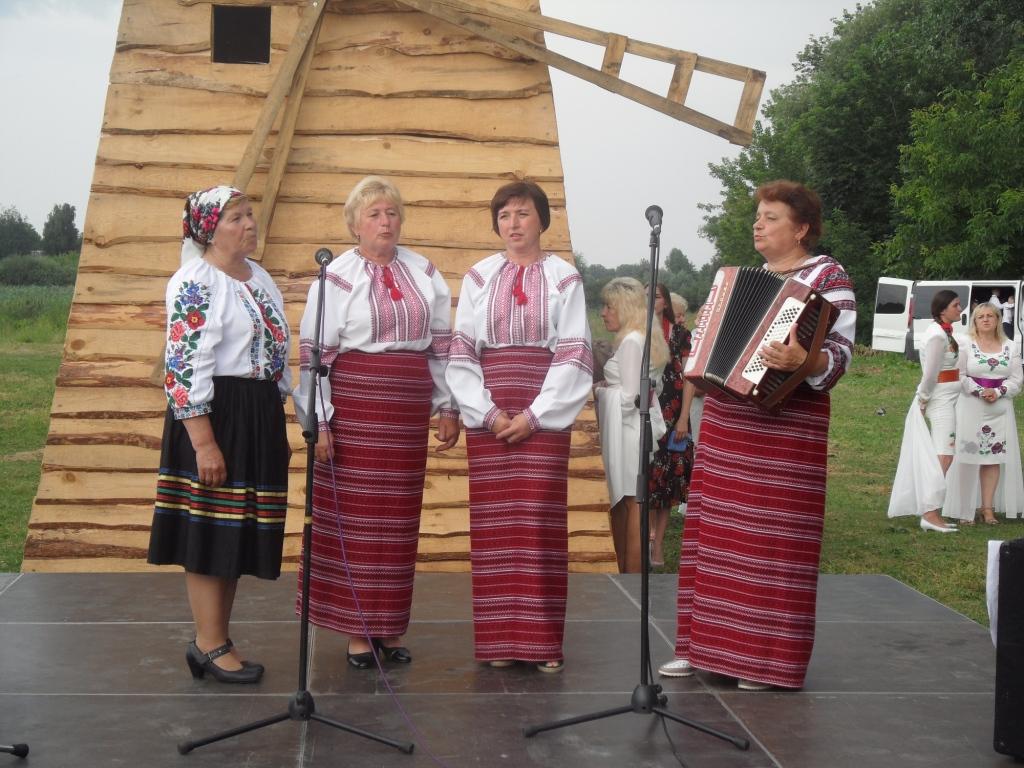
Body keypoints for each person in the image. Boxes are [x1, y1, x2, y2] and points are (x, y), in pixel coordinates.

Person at [658, 180, 855, 691]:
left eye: (771, 217)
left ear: (802, 228)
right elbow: (710, 343)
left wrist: (805, 359)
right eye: (758, 216)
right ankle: (702, 649)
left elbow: (840, 354)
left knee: (771, 540)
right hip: (727, 422)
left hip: (786, 428)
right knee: (715, 536)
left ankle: (763, 663)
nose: (758, 225)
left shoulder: (827, 276)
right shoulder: (738, 280)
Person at [295, 176, 459, 669]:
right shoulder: (336, 277)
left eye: (391, 213)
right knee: (358, 518)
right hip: (356, 408)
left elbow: (442, 345)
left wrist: (448, 406)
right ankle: (357, 632)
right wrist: (321, 421)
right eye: (374, 214)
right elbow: (315, 356)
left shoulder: (424, 271)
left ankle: (388, 626)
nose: (385, 222)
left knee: (398, 520)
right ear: (354, 225)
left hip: (406, 411)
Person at [446, 181, 593, 673]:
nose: (513, 223)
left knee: (538, 523)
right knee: (494, 528)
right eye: (505, 215)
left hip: (543, 412)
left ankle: (542, 642)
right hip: (489, 414)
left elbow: (574, 352)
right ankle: (499, 643)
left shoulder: (565, 278)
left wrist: (536, 415)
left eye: (523, 213)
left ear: (542, 220)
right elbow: (462, 350)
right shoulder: (479, 276)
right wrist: (487, 413)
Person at [148, 185, 292, 683]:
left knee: (235, 531)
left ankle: (217, 639)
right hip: (215, 414)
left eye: (250, 214)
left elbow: (274, 354)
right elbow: (184, 366)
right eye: (236, 218)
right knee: (211, 528)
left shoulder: (259, 277)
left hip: (255, 412)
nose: (250, 223)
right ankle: (208, 643)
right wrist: (204, 443)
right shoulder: (196, 280)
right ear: (209, 230)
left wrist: (280, 417)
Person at [596, 277, 669, 573]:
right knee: (631, 502)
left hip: (627, 433)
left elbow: (629, 398)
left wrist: (599, 392)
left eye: (608, 306)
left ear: (624, 307)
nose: (603, 313)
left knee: (630, 503)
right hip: (633, 431)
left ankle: (630, 576)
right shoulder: (642, 338)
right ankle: (629, 573)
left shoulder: (631, 342)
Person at [888, 290, 964, 533]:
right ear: (942, 309)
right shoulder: (936, 336)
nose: (960, 309)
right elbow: (930, 373)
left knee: (945, 453)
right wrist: (923, 399)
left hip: (947, 398)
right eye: (956, 305)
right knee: (945, 454)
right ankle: (930, 513)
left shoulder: (943, 332)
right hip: (940, 400)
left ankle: (932, 511)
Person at [943, 302, 1024, 524]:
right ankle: (965, 509)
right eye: (981, 317)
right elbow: (959, 374)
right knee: (968, 456)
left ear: (998, 320)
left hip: (999, 409)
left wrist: (998, 391)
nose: (986, 319)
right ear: (975, 321)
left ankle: (987, 508)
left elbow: (1017, 378)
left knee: (992, 458)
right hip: (971, 405)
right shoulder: (965, 343)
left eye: (990, 316)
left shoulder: (1010, 346)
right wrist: (980, 391)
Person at [646, 284, 692, 569]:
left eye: (656, 296)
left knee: (666, 484)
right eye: (645, 296)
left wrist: (684, 417)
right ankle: (645, 536)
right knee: (646, 478)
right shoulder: (637, 332)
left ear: (665, 302)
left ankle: (658, 543)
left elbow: (689, 378)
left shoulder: (681, 334)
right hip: (643, 413)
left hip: (673, 414)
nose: (650, 301)